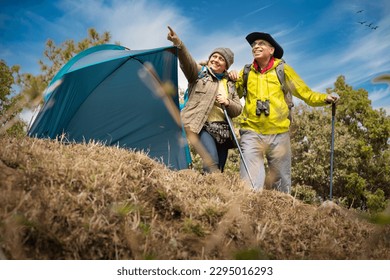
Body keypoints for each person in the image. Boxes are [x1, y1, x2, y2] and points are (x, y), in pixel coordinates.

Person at [231, 32, 339, 193]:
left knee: (281, 186)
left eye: (261, 44)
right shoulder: (246, 72)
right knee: (250, 184)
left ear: (271, 50)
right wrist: (230, 79)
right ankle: (248, 216)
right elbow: (233, 95)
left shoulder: (283, 70)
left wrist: (325, 98)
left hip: (278, 133)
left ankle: (278, 217)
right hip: (251, 132)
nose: (255, 46)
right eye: (253, 45)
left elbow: (305, 93)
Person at [167, 26, 242, 173]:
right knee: (211, 161)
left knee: (219, 168)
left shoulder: (230, 84)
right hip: (202, 126)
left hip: (224, 131)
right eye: (214, 56)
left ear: (226, 66)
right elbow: (187, 61)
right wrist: (178, 44)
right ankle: (204, 192)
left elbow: (238, 109)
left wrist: (227, 102)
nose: (216, 60)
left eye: (221, 59)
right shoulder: (199, 74)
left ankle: (212, 194)